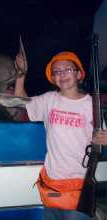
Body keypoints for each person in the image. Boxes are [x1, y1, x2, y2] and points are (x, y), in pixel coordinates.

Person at [14, 51, 106, 220]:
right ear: (53, 77)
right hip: (52, 182)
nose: (62, 73)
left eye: (68, 69)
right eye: (57, 71)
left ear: (79, 74)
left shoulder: (91, 105)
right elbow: (19, 102)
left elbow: (101, 137)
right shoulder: (49, 99)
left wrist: (104, 137)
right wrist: (21, 74)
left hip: (79, 184)